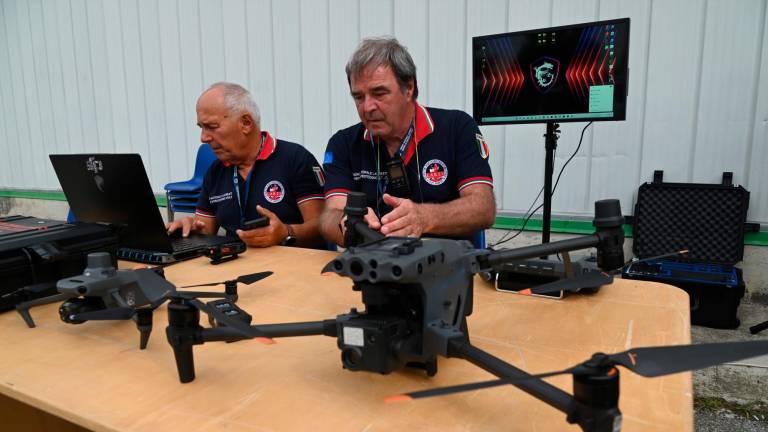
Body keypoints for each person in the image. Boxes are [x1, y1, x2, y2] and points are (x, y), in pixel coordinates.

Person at [320, 37, 495, 246]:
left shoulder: (457, 128)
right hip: (372, 267)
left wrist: (424, 217)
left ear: (409, 87)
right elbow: (329, 215)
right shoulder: (343, 143)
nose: (367, 107)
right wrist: (346, 223)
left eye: (379, 93)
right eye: (358, 97)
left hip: (446, 267)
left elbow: (483, 208)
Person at [167, 82, 326, 248]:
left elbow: (322, 227)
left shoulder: (295, 158)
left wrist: (286, 232)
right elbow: (205, 228)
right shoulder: (215, 171)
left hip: (291, 266)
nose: (203, 137)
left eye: (211, 127)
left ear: (246, 123)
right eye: (201, 128)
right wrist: (189, 228)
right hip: (237, 266)